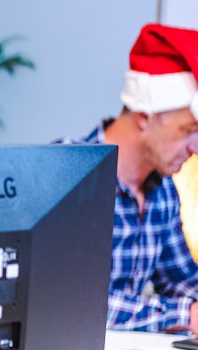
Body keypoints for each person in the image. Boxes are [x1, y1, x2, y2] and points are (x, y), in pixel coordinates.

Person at [60, 23, 198, 333]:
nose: (195, 149)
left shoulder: (162, 190)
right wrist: (185, 315)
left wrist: (191, 307)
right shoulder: (68, 173)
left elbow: (182, 282)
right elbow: (65, 302)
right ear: (144, 115)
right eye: (189, 131)